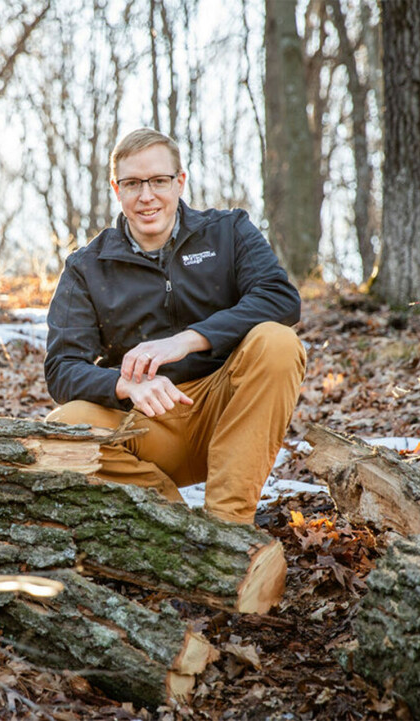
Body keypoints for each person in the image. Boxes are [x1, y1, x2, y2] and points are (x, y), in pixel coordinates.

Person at [44, 128, 306, 525]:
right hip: (146, 425)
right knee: (62, 426)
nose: (146, 196)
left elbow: (280, 298)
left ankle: (228, 526)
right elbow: (62, 368)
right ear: (117, 189)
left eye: (159, 181)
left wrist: (188, 340)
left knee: (278, 342)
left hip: (226, 413)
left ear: (180, 181)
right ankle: (175, 526)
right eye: (132, 183)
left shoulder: (228, 231)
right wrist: (124, 385)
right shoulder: (86, 267)